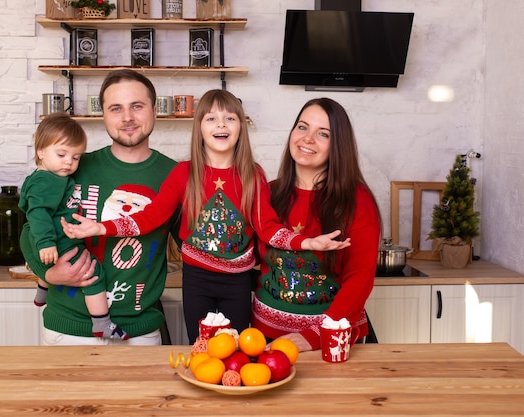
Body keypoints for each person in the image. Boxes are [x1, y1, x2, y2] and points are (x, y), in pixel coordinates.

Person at [61, 89, 351, 344]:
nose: (221, 124)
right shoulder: (183, 173)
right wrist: (101, 227)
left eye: (230, 118)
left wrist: (307, 243)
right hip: (197, 279)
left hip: (237, 283)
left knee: (235, 349)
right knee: (199, 348)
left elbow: (268, 229)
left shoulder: (253, 175)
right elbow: (150, 217)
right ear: (199, 127)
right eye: (211, 118)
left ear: (241, 128)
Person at [19, 69, 179, 346]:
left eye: (137, 106)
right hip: (66, 329)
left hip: (138, 332)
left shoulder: (175, 175)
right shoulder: (73, 166)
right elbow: (29, 227)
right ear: (102, 114)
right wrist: (47, 273)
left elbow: (193, 243)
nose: (127, 117)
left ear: (154, 110)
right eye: (116, 108)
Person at [250, 98, 382, 352]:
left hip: (329, 341)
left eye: (323, 133)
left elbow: (360, 279)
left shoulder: (357, 199)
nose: (307, 139)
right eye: (302, 127)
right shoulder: (269, 193)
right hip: (263, 339)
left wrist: (316, 335)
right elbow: (248, 258)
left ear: (338, 145)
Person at [19, 113, 128, 340]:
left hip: (56, 235)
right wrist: (46, 243)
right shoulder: (46, 181)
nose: (69, 162)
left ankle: (42, 293)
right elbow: (37, 213)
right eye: (61, 154)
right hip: (59, 238)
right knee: (93, 273)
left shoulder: (50, 176)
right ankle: (102, 323)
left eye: (76, 157)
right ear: (40, 151)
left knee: (50, 261)